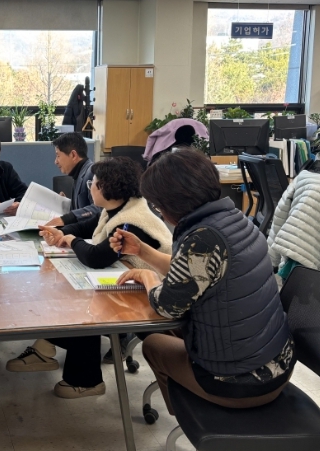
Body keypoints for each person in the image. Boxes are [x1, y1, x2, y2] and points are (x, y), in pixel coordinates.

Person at [110, 148, 294, 415]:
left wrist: (147, 276)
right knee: (170, 332)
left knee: (153, 344)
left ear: (172, 204)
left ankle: (197, 416)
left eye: (158, 207)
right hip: (276, 362)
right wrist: (142, 251)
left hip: (244, 382)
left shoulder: (203, 239)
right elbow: (193, 272)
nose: (160, 213)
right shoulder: (233, 219)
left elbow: (167, 306)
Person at [6, 157, 172, 399]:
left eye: (92, 183)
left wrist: (71, 241)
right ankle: (47, 349)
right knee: (63, 291)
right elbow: (86, 227)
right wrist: (60, 233)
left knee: (80, 304)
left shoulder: (132, 221)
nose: (90, 187)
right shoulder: (116, 208)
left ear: (105, 187)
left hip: (151, 292)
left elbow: (97, 257)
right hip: (130, 278)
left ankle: (86, 380)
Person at [44, 132, 99, 228]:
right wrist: (66, 205)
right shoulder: (78, 173)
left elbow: (99, 209)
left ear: (73, 155)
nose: (56, 161)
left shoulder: (93, 173)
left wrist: (67, 218)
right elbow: (82, 208)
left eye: (58, 156)